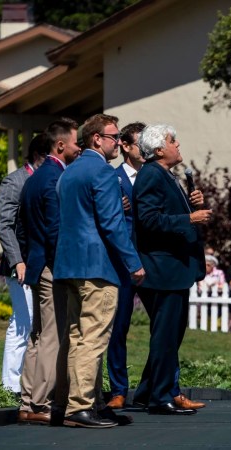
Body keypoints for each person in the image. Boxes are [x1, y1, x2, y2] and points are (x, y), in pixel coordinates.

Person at [53, 113, 145, 428]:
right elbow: (112, 223)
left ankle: (71, 405)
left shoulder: (68, 173)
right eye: (114, 136)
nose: (118, 142)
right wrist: (134, 263)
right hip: (97, 266)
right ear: (97, 139)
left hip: (67, 265)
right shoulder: (103, 173)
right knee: (92, 337)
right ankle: (81, 408)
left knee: (77, 336)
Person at [131, 123, 211, 415]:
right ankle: (161, 396)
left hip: (174, 270)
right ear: (158, 149)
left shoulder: (165, 175)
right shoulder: (152, 175)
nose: (177, 144)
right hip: (162, 270)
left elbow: (165, 213)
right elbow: (149, 220)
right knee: (166, 335)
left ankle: (147, 391)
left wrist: (191, 208)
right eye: (172, 140)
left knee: (170, 333)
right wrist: (189, 220)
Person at [18, 118, 81, 425]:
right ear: (60, 145)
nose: (78, 147)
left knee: (38, 335)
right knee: (52, 337)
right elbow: (55, 229)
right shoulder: (54, 178)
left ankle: (28, 400)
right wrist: (64, 268)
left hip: (36, 263)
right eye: (75, 142)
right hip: (51, 267)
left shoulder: (34, 177)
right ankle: (41, 403)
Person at [0, 134, 49, 396]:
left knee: (37, 325)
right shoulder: (15, 180)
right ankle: (10, 385)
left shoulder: (44, 180)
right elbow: (4, 224)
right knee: (22, 321)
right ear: (41, 155)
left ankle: (29, 382)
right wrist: (17, 260)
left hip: (39, 263)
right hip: (19, 265)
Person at [106, 122, 146, 411]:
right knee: (118, 329)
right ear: (125, 147)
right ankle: (118, 389)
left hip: (151, 263)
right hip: (122, 265)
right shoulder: (114, 179)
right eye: (140, 144)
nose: (146, 150)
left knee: (165, 328)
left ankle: (155, 387)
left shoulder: (157, 177)